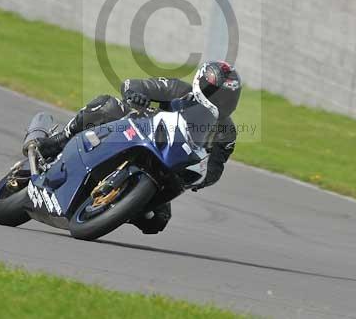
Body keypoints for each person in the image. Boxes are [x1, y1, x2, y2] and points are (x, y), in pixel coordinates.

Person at [23, 61, 242, 234]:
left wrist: (200, 177)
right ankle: (59, 141)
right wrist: (134, 96)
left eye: (227, 97)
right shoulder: (178, 89)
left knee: (157, 221)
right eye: (217, 94)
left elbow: (215, 168)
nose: (220, 101)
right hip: (137, 132)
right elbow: (132, 85)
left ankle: (116, 206)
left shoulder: (227, 132)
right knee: (107, 106)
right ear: (201, 83)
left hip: (170, 165)